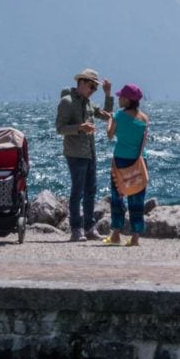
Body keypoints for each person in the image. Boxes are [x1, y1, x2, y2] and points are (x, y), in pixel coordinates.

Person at [56, 68, 113, 241]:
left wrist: (108, 94)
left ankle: (89, 227)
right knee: (77, 192)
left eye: (95, 88)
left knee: (90, 191)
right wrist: (80, 127)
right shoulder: (66, 102)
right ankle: (76, 229)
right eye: (91, 87)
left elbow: (107, 116)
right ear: (81, 83)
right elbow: (60, 128)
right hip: (75, 153)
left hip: (90, 152)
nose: (93, 91)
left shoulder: (89, 103)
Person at [106, 83, 149, 246]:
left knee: (118, 197)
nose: (119, 98)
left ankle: (116, 234)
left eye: (121, 96)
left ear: (128, 100)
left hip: (121, 160)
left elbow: (110, 135)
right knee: (137, 198)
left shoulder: (118, 116)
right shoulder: (144, 118)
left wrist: (110, 118)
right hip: (139, 161)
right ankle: (135, 236)